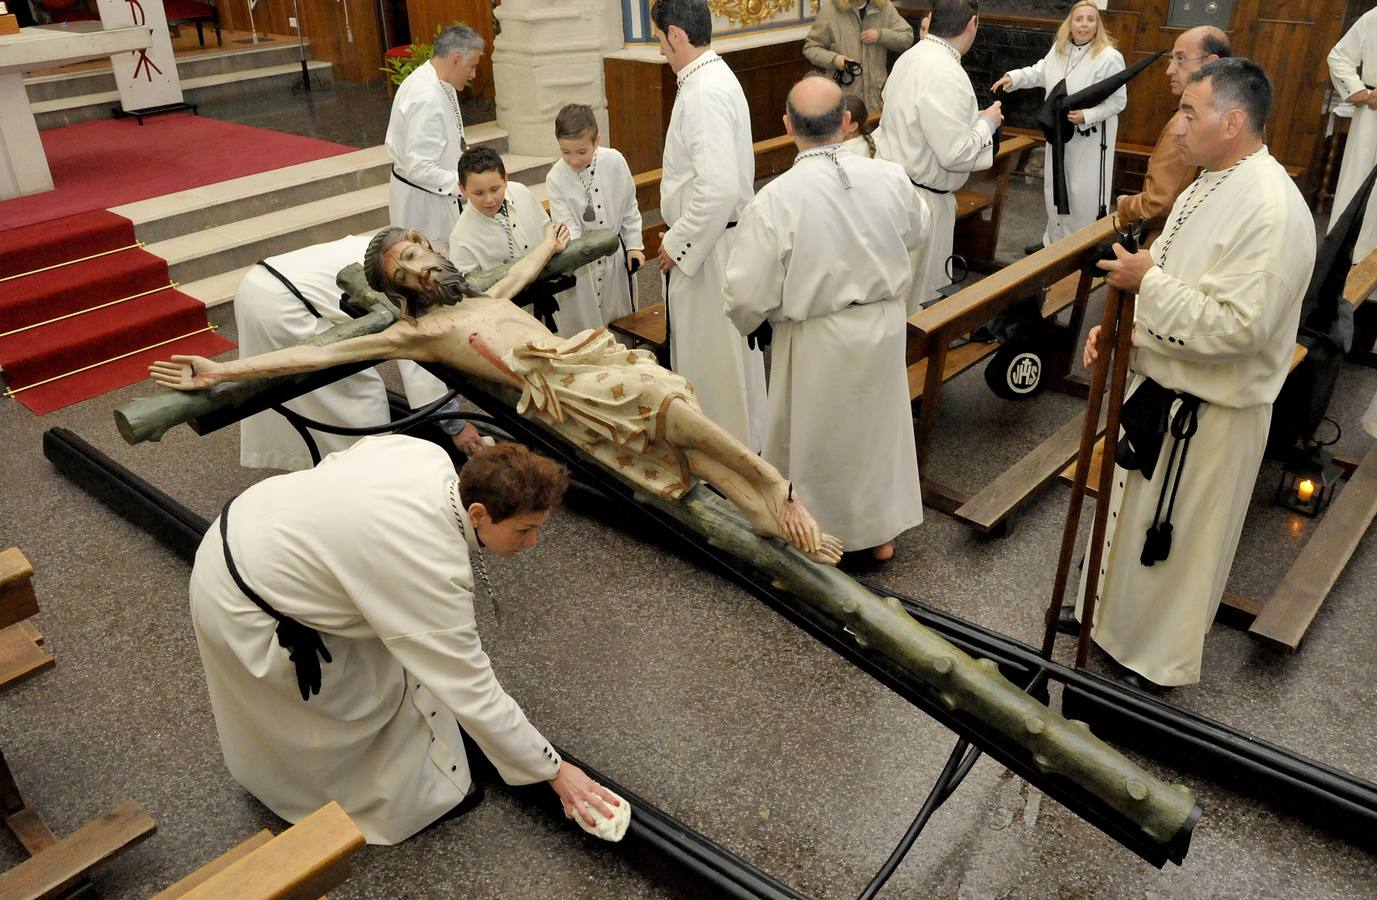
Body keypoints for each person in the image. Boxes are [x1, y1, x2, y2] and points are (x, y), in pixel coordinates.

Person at [150, 226, 843, 565]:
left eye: (420, 251)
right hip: (562, 386)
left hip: (582, 358)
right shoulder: (417, 333)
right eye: (407, 266)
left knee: (676, 428)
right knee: (667, 408)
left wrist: (545, 243)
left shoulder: (479, 297)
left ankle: (757, 510)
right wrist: (222, 371)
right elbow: (320, 353)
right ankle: (774, 486)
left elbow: (519, 277)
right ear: (398, 289)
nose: (423, 264)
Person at [188, 434, 622, 844]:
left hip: (254, 520)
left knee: (395, 667)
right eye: (524, 530)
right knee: (340, 714)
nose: (533, 542)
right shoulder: (429, 566)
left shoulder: (424, 455)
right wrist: (555, 771)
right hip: (246, 600)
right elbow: (472, 688)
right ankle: (352, 800)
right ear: (478, 515)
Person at [1075, 58, 1316, 690]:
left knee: (1175, 550)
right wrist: (1125, 325)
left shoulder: (1271, 209)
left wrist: (1146, 285)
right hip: (1162, 389)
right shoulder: (1208, 182)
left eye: (1189, 112)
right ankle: (1112, 631)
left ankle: (1151, 669)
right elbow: (1171, 267)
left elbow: (1240, 327)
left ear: (1232, 122)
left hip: (1208, 420)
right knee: (1131, 529)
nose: (1177, 126)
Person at [725, 77, 928, 562]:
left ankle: (815, 536)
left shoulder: (776, 198)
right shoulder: (890, 176)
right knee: (876, 433)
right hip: (881, 324)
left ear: (787, 126)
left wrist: (754, 320)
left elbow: (746, 291)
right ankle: (878, 535)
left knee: (818, 439)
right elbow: (917, 230)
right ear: (846, 122)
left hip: (817, 334)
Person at [235, 235, 489, 466]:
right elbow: (419, 357)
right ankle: (369, 472)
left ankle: (327, 464)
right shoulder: (403, 274)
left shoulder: (398, 249)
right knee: (358, 398)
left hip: (257, 283)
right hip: (281, 302)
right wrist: (456, 426)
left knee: (307, 399)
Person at [651, 0, 767, 451]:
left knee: (713, 364)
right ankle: (742, 447)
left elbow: (717, 188)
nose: (660, 50)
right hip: (718, 237)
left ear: (676, 35)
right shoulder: (712, 76)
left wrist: (678, 243)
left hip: (709, 247)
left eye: (660, 40)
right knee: (727, 361)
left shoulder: (702, 92)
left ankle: (722, 456)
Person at [874, 0, 1003, 312]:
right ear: (972, 24)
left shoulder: (911, 56)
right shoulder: (947, 73)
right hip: (921, 202)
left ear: (931, 20)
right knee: (915, 301)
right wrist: (987, 124)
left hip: (893, 186)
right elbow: (955, 155)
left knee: (894, 289)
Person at [992, 0, 1125, 250]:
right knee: (1055, 187)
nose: (1084, 25)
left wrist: (1088, 115)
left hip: (1090, 140)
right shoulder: (1060, 50)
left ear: (1098, 24)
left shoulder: (1109, 57)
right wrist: (1014, 77)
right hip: (1059, 131)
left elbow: (1118, 101)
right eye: (1079, 19)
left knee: (1080, 193)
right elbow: (1040, 72)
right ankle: (1053, 241)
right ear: (1070, 24)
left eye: (1090, 19)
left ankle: (1078, 247)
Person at [1114, 26, 1230, 233]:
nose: (1169, 70)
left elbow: (1158, 205)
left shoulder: (1187, 121)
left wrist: (1126, 207)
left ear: (1211, 63)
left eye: (1181, 59)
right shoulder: (1238, 111)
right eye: (1172, 59)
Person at [543, 103, 646, 333]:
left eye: (581, 152)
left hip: (615, 260)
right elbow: (567, 226)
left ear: (596, 141)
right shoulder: (555, 177)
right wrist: (576, 249)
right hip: (582, 266)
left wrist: (634, 246)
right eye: (565, 152)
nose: (573, 160)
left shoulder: (615, 161)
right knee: (585, 329)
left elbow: (629, 207)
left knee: (621, 324)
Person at [385, 24, 483, 246]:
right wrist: (468, 185)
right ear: (456, 59)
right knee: (433, 259)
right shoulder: (426, 98)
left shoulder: (438, 80)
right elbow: (419, 168)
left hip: (434, 195)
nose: (473, 74)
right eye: (472, 65)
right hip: (424, 205)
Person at [447, 147, 550, 275]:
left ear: (505, 179)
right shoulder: (461, 237)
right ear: (462, 188)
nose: (489, 200)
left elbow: (546, 226)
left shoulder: (521, 191)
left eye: (495, 189)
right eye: (479, 193)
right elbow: (469, 283)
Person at [802, 0, 914, 115]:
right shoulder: (830, 10)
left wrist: (880, 35)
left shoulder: (884, 7)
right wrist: (834, 59)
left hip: (876, 96)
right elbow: (811, 48)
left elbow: (907, 37)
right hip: (845, 97)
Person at [1329, 9, 1377, 264]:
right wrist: (1358, 90)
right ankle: (1347, 257)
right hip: (1372, 116)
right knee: (1360, 181)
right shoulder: (1374, 18)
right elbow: (1339, 56)